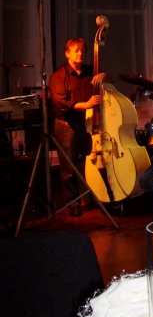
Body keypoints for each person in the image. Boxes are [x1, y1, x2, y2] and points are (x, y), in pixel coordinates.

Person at [49, 37, 106, 216]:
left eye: (82, 50)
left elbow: (106, 78)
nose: (80, 53)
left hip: (87, 124)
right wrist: (87, 104)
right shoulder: (58, 77)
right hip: (67, 125)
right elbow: (62, 103)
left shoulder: (91, 72)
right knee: (69, 167)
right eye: (76, 50)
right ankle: (73, 202)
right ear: (67, 54)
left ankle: (98, 197)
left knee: (93, 162)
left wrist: (104, 76)